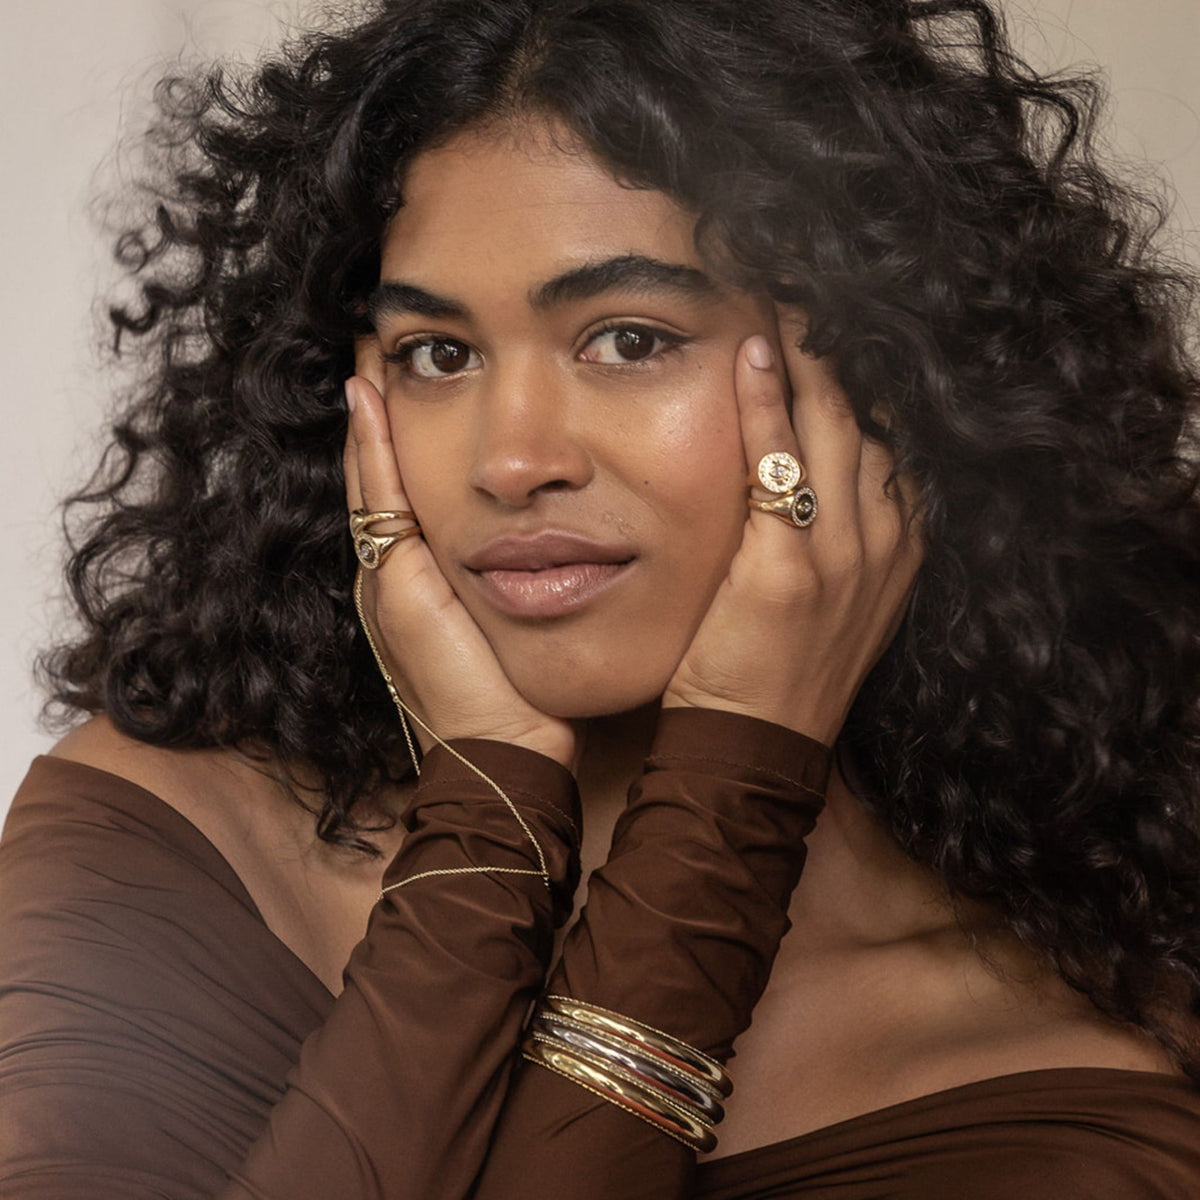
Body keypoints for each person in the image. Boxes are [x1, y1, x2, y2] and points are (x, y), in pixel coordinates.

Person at [1, 0, 1198, 1196]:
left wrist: (726, 800)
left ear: (883, 380)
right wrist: (485, 835)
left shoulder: (1081, 1080)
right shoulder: (171, 841)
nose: (512, 461)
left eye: (628, 340)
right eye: (439, 354)